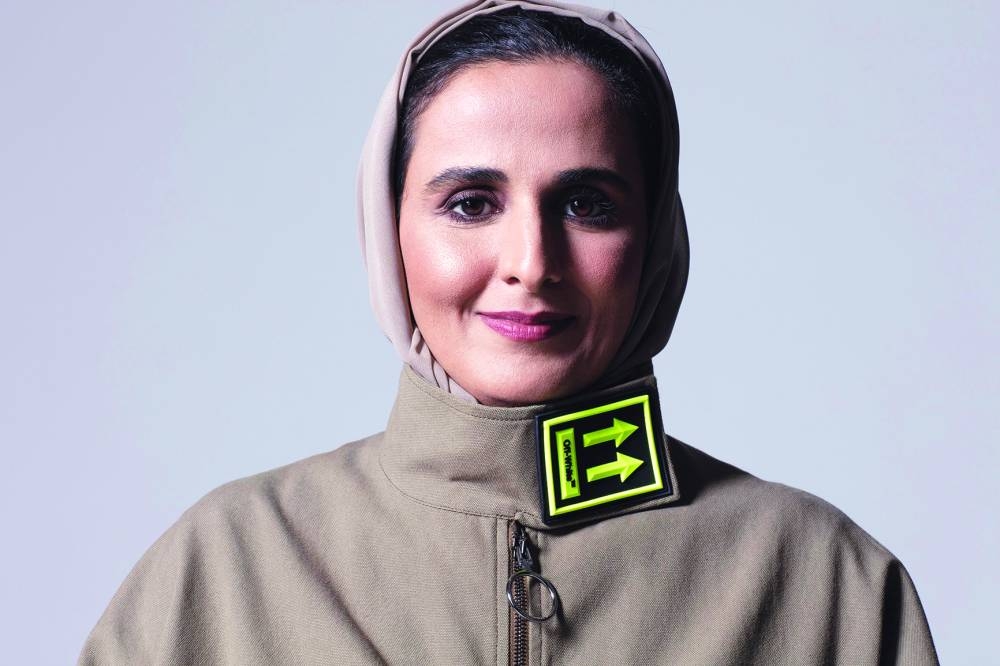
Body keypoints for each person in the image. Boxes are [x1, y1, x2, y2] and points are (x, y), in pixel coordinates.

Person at [79, 1, 938, 663]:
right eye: (470, 204)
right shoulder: (225, 570)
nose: (531, 261)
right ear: (389, 227)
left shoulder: (826, 583)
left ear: (655, 238)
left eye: (586, 203)